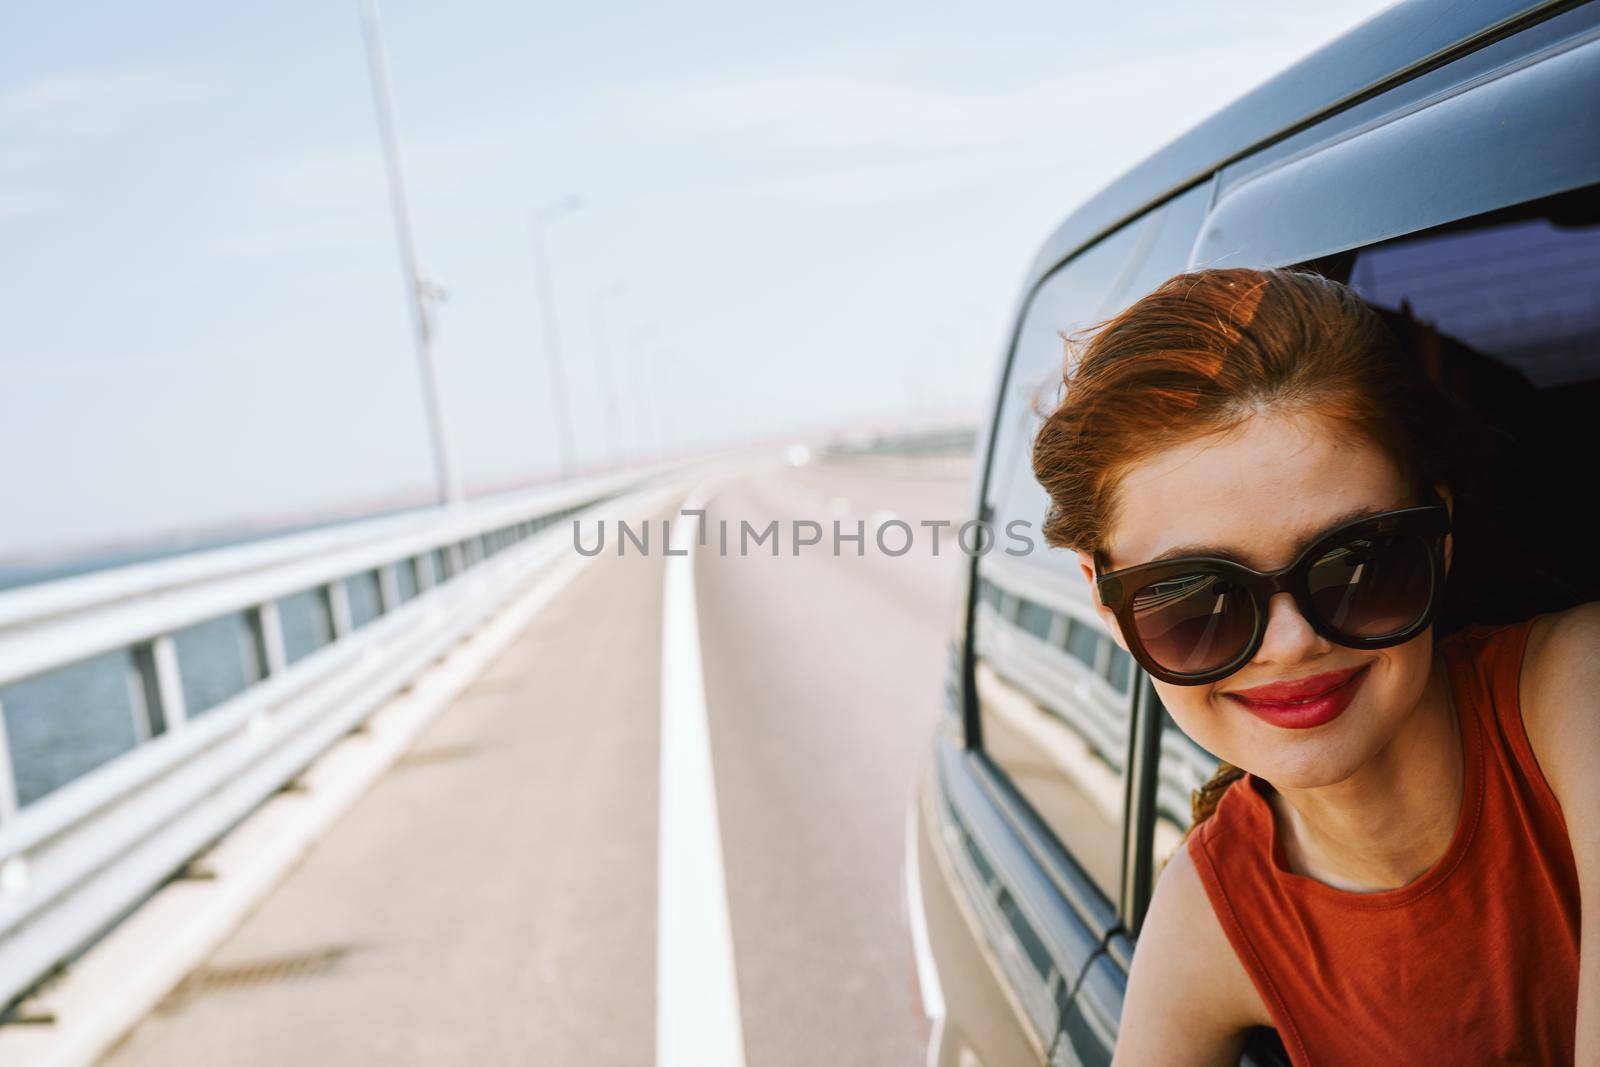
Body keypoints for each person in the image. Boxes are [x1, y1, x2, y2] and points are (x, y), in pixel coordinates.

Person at [1028, 268, 1597, 1065]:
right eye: (1195, 598)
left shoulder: (1579, 688)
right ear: (1106, 607)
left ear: (1438, 537)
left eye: (1357, 561)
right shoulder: (1212, 913)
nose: (1291, 641)